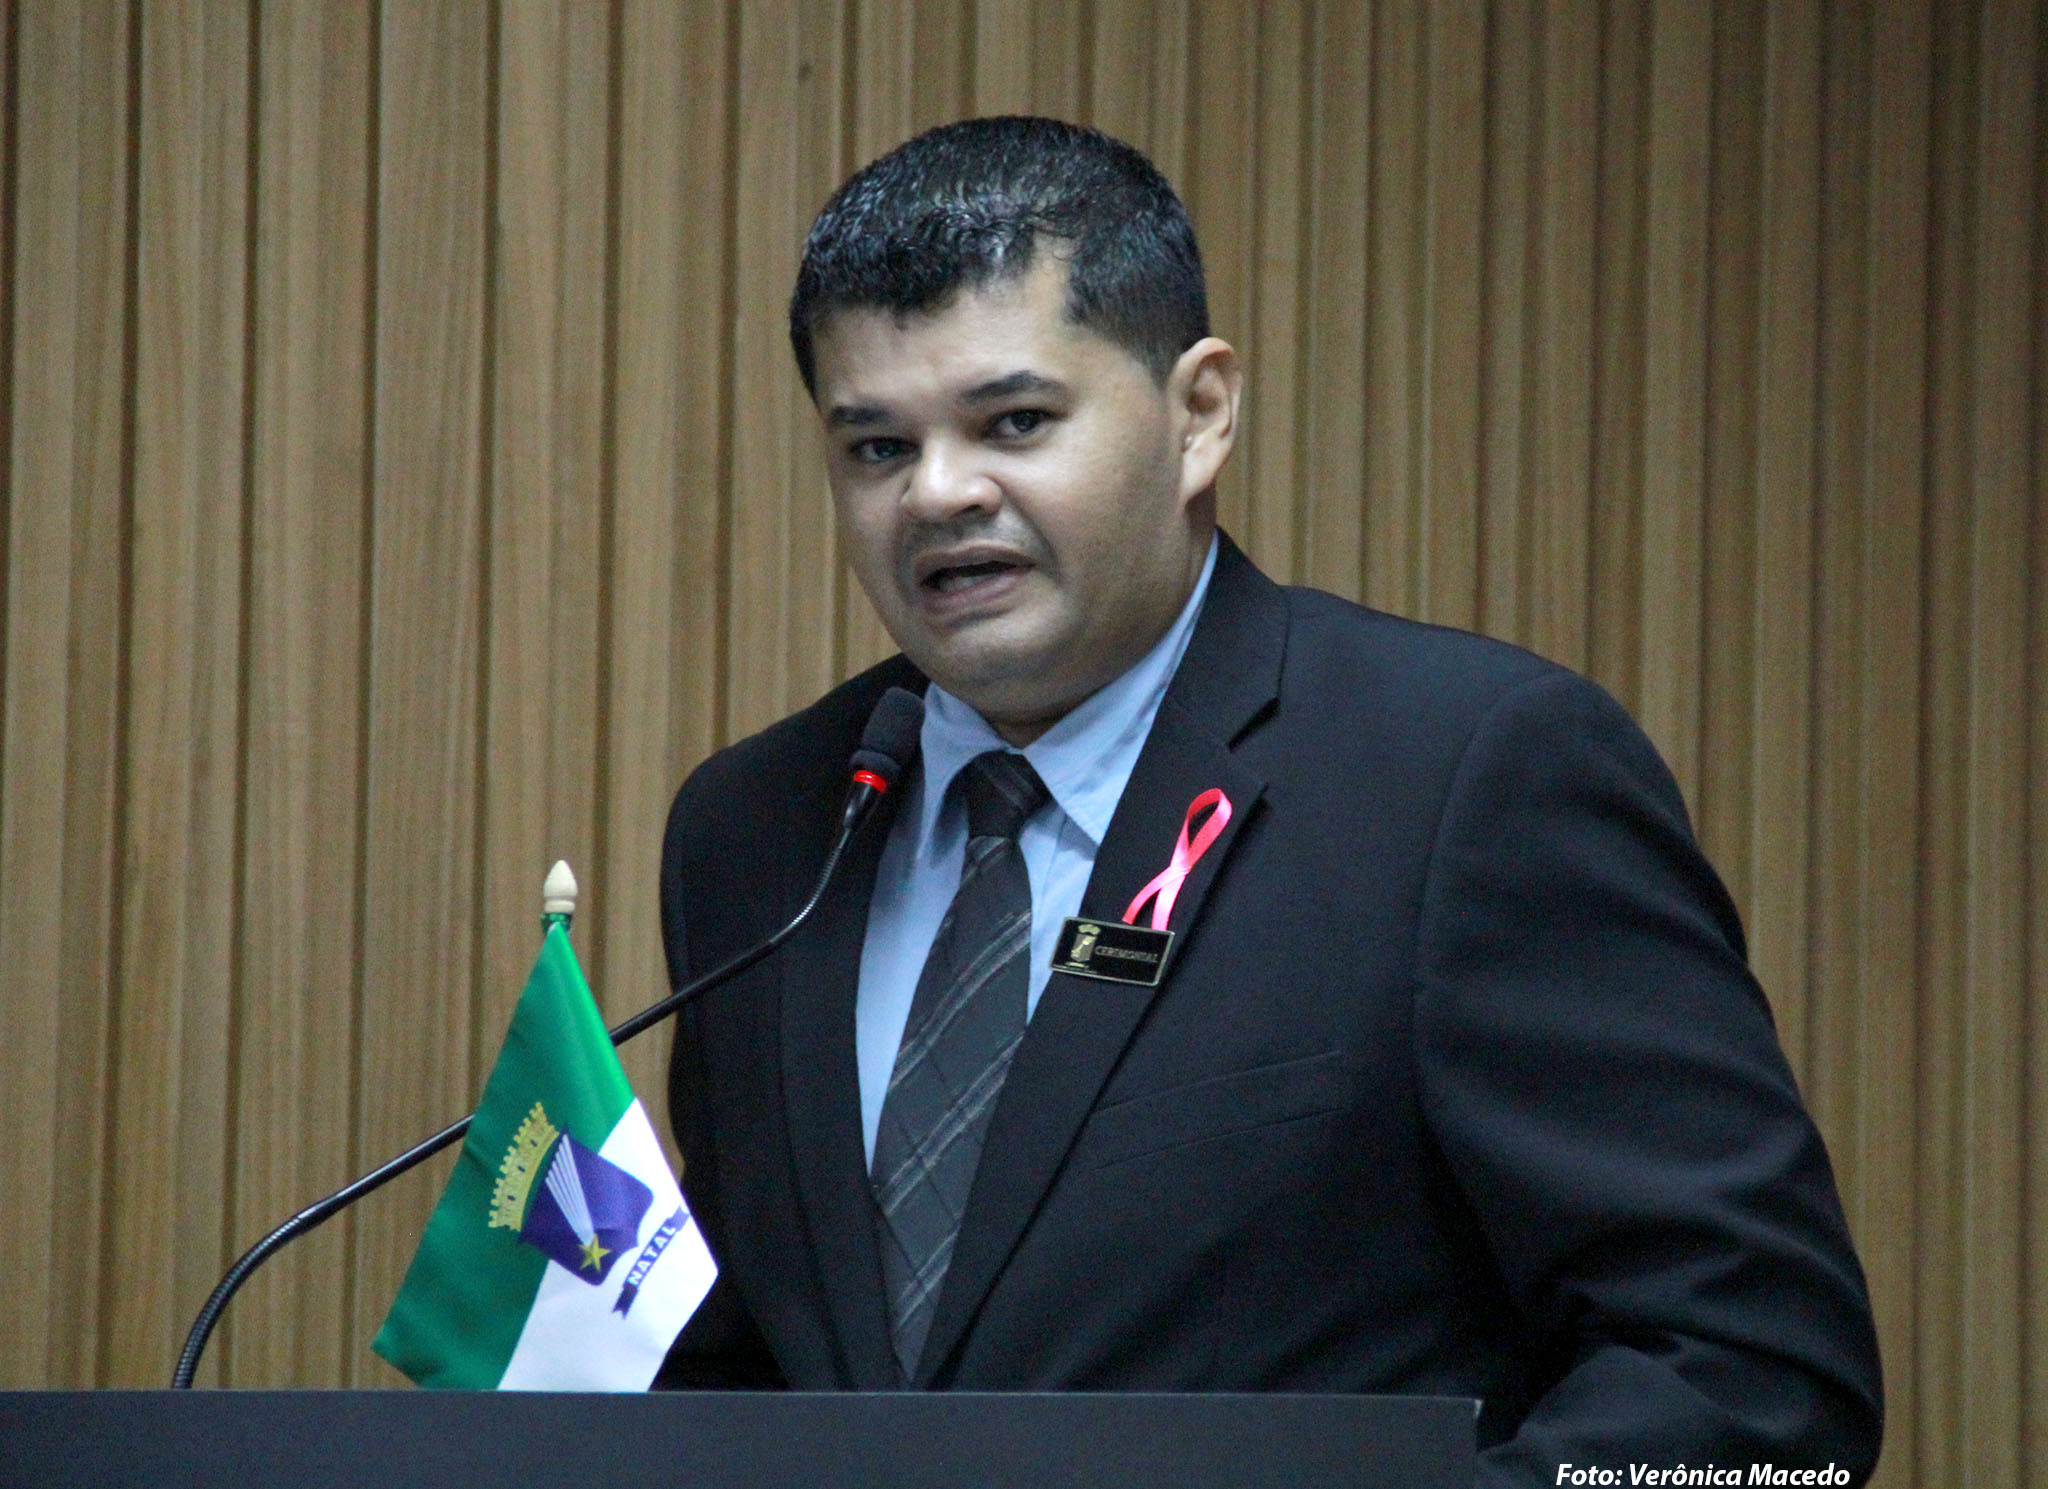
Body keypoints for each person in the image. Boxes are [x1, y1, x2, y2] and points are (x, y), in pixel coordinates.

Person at [654, 116, 1883, 1485]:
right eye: (878, 447)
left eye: (1015, 422)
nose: (940, 494)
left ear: (1199, 414)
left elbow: (1757, 1385)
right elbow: (754, 1371)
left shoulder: (1463, 777)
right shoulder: (758, 831)